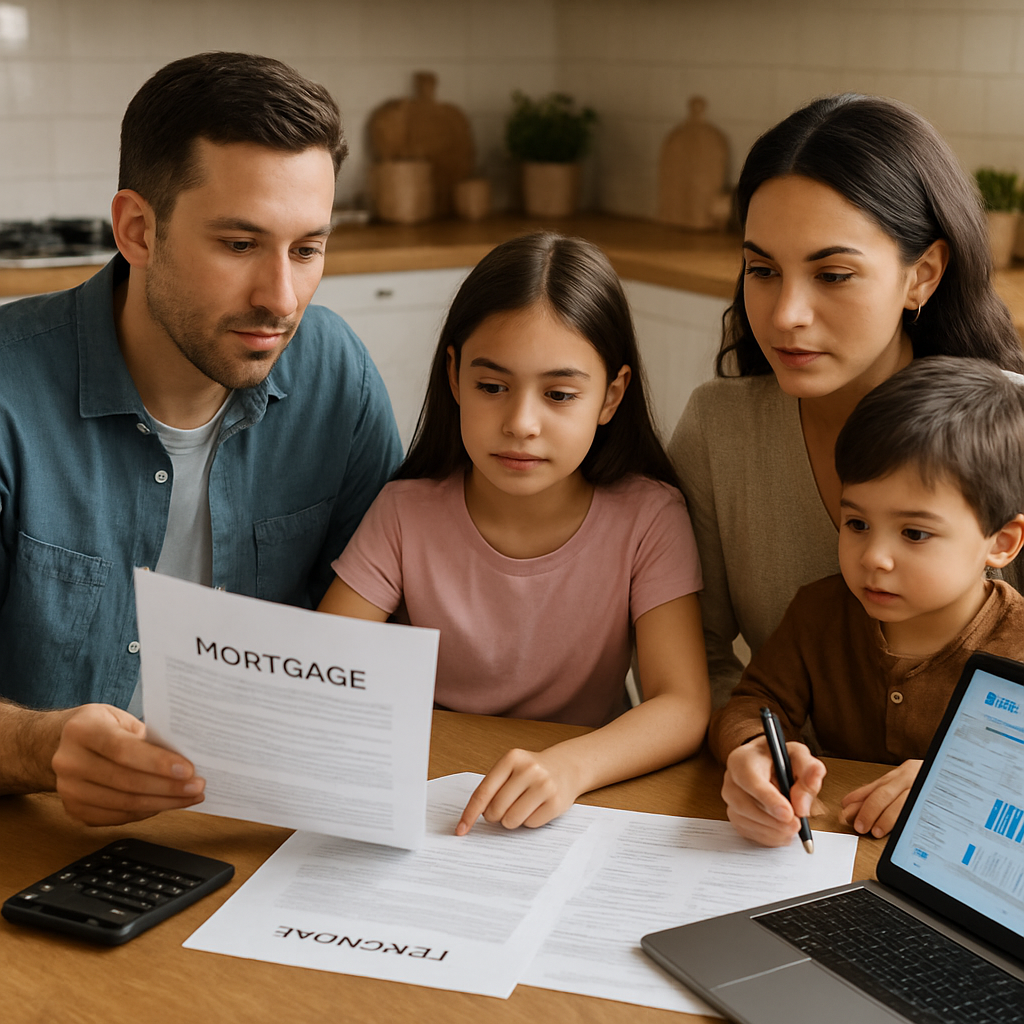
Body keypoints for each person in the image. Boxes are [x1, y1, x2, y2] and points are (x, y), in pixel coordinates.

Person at [0, 53, 402, 825]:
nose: (280, 299)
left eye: (307, 249)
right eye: (240, 244)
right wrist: (40, 748)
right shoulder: (9, 396)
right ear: (137, 230)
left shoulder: (336, 374)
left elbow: (395, 626)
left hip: (260, 837)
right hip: (38, 842)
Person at [319, 232, 711, 832]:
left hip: (580, 798)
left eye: (558, 394)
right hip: (429, 798)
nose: (521, 423)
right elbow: (322, 672)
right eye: (492, 387)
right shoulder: (404, 512)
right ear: (454, 378)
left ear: (611, 395)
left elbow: (681, 704)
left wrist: (570, 767)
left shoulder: (649, 517)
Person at [668, 94, 1024, 709]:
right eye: (762, 270)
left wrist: (955, 780)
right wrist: (759, 752)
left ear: (924, 274)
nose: (785, 315)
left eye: (832, 275)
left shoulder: (1014, 426)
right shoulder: (717, 428)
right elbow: (695, 657)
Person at [710, 357, 1024, 847]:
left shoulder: (1018, 641)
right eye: (857, 523)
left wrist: (953, 782)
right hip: (830, 852)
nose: (874, 558)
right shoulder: (819, 612)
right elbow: (755, 702)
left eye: (914, 533)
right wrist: (753, 750)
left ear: (1001, 542)